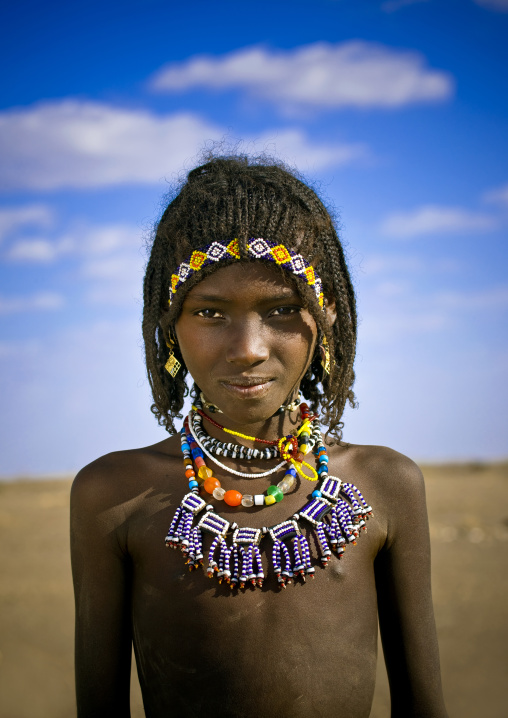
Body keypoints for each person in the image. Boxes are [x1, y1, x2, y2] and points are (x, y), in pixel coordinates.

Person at [71, 155, 448, 718]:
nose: (249, 347)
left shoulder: (385, 485)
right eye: (211, 312)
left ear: (326, 319)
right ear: (169, 327)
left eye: (282, 308)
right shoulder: (112, 495)